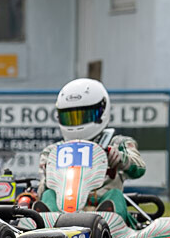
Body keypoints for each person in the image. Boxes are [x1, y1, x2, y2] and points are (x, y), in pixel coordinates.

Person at [37, 78, 145, 226]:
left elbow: (139, 168)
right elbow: (41, 190)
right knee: (48, 194)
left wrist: (120, 158)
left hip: (101, 203)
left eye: (84, 116)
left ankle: (107, 226)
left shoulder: (118, 143)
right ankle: (46, 227)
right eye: (70, 117)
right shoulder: (53, 152)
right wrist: (47, 174)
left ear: (102, 112)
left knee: (115, 195)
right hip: (63, 208)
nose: (77, 123)